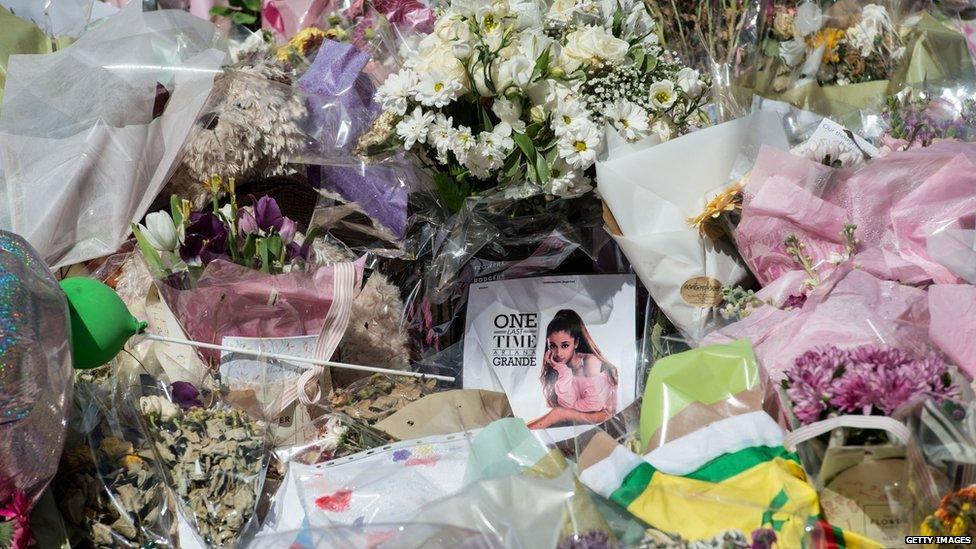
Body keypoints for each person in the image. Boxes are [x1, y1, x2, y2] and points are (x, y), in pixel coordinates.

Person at [526, 309, 619, 430]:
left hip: (605, 421)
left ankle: (517, 434)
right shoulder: (561, 368)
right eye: (553, 346)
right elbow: (568, 405)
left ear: (576, 343)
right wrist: (560, 369)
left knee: (556, 414)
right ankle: (517, 432)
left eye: (565, 345)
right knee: (553, 416)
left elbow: (594, 406)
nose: (558, 353)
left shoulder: (590, 362)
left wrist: (562, 414)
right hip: (579, 423)